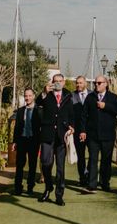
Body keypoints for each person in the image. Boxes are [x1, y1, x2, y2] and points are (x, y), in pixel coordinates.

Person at [80, 75, 117, 192]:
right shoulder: (90, 97)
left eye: (99, 83)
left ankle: (105, 183)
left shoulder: (113, 97)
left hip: (108, 135)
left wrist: (106, 106)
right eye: (95, 83)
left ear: (106, 84)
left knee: (106, 160)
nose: (96, 85)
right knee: (93, 159)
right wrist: (83, 131)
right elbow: (84, 115)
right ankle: (92, 184)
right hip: (93, 135)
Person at [36, 73, 74, 206]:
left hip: (61, 136)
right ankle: (48, 187)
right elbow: (38, 103)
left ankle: (59, 195)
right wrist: (44, 92)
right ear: (52, 82)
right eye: (55, 81)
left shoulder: (69, 96)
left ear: (63, 82)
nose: (57, 83)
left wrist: (72, 127)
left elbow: (72, 114)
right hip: (47, 134)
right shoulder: (47, 95)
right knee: (46, 163)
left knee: (60, 168)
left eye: (60, 81)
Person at [12, 87, 40, 195]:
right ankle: (18, 187)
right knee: (19, 165)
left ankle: (30, 187)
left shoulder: (39, 110)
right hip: (22, 140)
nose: (27, 98)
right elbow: (17, 127)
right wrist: (15, 141)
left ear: (33, 96)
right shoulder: (20, 111)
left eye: (29, 96)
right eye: (26, 96)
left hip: (33, 140)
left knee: (32, 165)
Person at [71, 75, 92, 186]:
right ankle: (82, 178)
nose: (78, 85)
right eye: (77, 83)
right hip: (78, 131)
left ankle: (89, 174)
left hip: (91, 131)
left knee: (93, 155)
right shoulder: (72, 96)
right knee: (81, 156)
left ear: (86, 83)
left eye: (81, 83)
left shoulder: (93, 95)